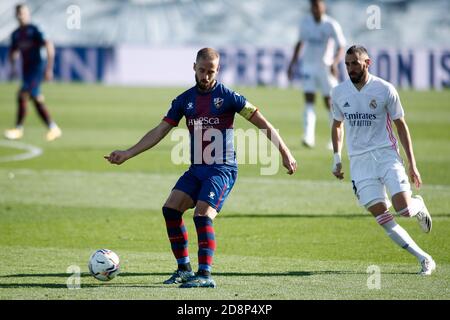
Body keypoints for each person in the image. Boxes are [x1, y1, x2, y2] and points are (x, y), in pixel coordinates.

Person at [105, 48, 297, 288]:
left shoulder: (228, 96)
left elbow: (263, 123)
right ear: (194, 67)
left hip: (222, 169)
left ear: (218, 71)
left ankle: (205, 274)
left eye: (211, 72)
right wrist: (128, 153)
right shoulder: (184, 100)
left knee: (202, 215)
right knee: (171, 209)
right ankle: (184, 269)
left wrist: (285, 152)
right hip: (197, 169)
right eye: (202, 70)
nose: (206, 76)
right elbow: (160, 130)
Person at [331, 45, 435, 275]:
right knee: (382, 216)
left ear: (368, 63)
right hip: (359, 162)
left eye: (355, 63)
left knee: (404, 210)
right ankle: (424, 258)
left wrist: (412, 164)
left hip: (386, 154)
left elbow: (401, 125)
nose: (350, 68)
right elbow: (337, 124)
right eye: (347, 64)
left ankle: (417, 205)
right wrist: (336, 158)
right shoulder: (338, 92)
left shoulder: (385, 89)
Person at [287, 0, 346, 149]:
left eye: (318, 7)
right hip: (308, 67)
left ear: (323, 7)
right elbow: (299, 43)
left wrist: (334, 62)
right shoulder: (305, 23)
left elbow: (341, 46)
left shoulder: (331, 24)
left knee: (329, 102)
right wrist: (292, 64)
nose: (316, 10)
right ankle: (308, 137)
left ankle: (335, 138)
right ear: (311, 8)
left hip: (325, 68)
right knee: (308, 100)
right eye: (314, 7)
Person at [4, 4, 61, 141]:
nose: (20, 16)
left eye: (23, 13)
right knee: (36, 98)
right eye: (18, 13)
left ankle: (18, 129)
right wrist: (12, 67)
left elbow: (48, 44)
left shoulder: (34, 30)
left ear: (28, 14)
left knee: (22, 94)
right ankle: (53, 128)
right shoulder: (16, 34)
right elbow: (13, 51)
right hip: (26, 70)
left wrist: (49, 68)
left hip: (37, 68)